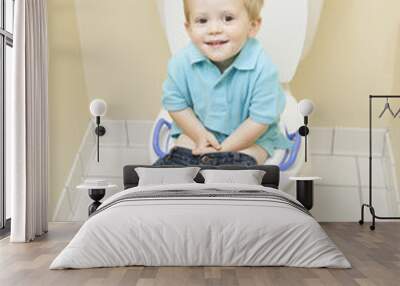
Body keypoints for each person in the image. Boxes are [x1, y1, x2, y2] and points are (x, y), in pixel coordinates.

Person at [153, 0, 291, 167]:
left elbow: (259, 120)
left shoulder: (263, 68)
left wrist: (223, 150)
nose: (214, 30)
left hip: (250, 137)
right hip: (199, 129)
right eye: (202, 21)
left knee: (247, 166)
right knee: (179, 160)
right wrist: (200, 135)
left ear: (252, 26)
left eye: (228, 18)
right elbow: (175, 103)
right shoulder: (181, 63)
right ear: (188, 29)